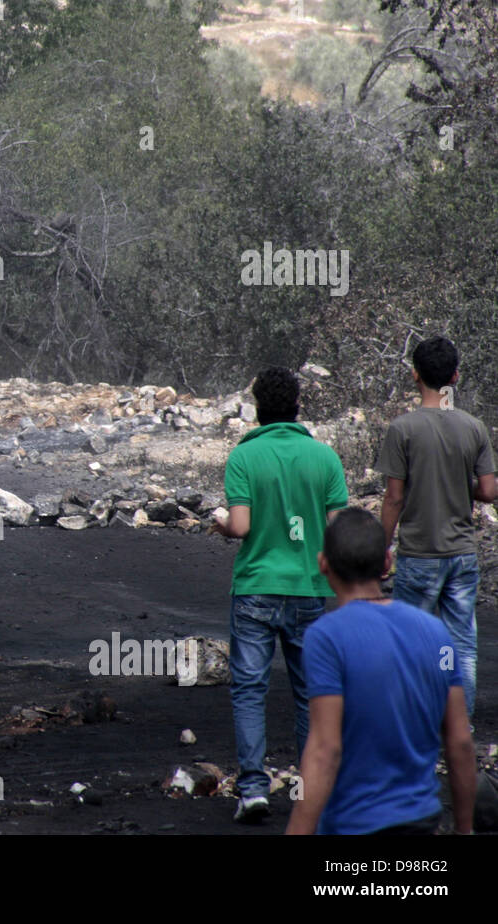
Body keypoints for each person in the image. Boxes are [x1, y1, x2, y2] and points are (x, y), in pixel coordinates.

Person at [209, 366, 348, 823]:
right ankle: (310, 787)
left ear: (257, 409)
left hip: (255, 588)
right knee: (309, 693)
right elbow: (339, 533)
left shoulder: (244, 457)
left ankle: (252, 788)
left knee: (250, 689)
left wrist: (221, 523)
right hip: (308, 590)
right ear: (297, 406)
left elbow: (242, 526)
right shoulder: (324, 457)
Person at [285, 508, 475, 835]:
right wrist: (465, 829)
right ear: (387, 563)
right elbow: (459, 741)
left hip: (352, 823)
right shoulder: (437, 634)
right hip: (421, 819)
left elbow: (323, 750)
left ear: (323, 564)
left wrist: (298, 828)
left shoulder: (325, 638)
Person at [376, 336, 497, 720]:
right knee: (462, 646)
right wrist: (461, 485)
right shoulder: (473, 428)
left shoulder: (403, 429)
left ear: (415, 376)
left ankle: (415, 727)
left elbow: (394, 497)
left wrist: (383, 546)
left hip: (419, 555)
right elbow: (490, 491)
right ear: (456, 376)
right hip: (461, 554)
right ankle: (460, 731)